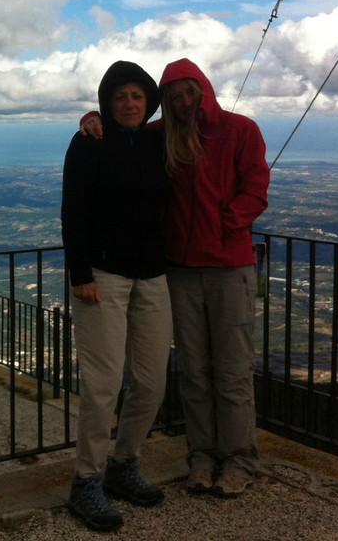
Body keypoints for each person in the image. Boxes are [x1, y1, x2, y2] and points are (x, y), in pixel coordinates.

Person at [79, 58, 269, 498]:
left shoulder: (241, 129)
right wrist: (91, 118)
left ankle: (239, 460)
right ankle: (201, 458)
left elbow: (256, 187)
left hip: (228, 267)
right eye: (174, 96)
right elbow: (120, 125)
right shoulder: (162, 133)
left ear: (203, 89)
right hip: (180, 271)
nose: (183, 102)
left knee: (233, 372)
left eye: (189, 92)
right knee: (195, 374)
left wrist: (227, 223)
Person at [61, 60, 173, 531]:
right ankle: (87, 479)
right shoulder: (89, 141)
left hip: (152, 277)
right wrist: (80, 273)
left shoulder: (155, 139)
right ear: (107, 102)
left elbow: (197, 119)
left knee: (151, 382)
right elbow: (73, 209)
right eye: (120, 96)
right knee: (104, 384)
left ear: (149, 103)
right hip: (102, 279)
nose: (129, 103)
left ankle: (124, 464)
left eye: (138, 96)